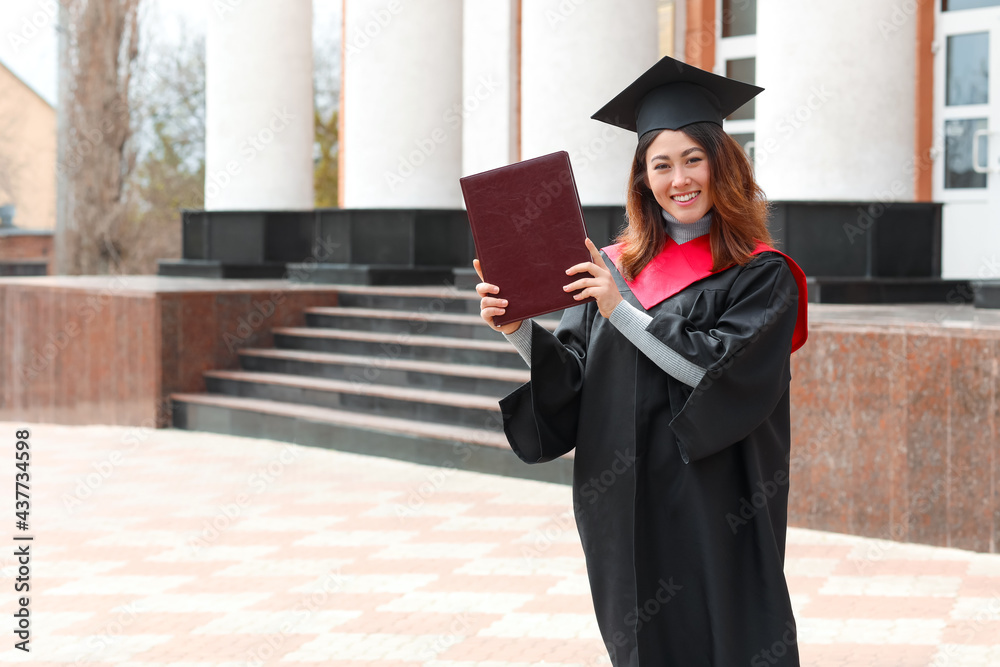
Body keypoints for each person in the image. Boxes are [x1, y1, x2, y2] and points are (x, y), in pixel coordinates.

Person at [472, 56, 809, 666]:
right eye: (661, 165)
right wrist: (519, 329)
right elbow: (573, 375)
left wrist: (621, 310)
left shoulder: (761, 276)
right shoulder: (613, 266)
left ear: (721, 166)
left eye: (692, 159)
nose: (678, 179)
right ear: (643, 179)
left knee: (721, 639)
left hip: (709, 503)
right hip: (620, 502)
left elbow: (717, 373)